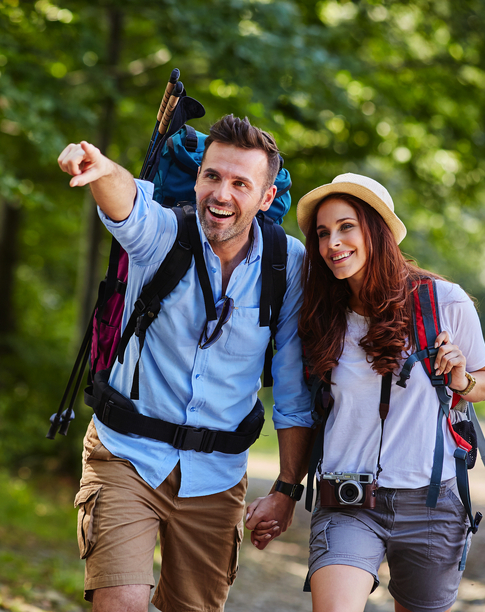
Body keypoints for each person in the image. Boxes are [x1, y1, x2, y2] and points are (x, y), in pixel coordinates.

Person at [56, 115, 314, 612]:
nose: (221, 194)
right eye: (212, 176)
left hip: (217, 478)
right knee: (121, 604)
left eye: (241, 183)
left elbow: (293, 388)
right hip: (126, 456)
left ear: (265, 198)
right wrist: (101, 167)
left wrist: (286, 487)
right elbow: (126, 204)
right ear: (197, 177)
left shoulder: (289, 264)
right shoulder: (164, 233)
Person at [271, 173, 485, 612]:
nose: (332, 242)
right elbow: (301, 406)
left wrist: (461, 380)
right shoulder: (320, 315)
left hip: (432, 501)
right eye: (322, 233)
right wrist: (286, 486)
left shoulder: (443, 301)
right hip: (347, 498)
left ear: (376, 229)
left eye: (346, 226)